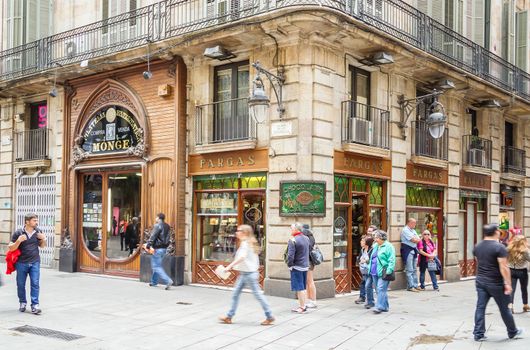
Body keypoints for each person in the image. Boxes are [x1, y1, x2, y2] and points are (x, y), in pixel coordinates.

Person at [472, 223, 523, 342]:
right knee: (505, 308)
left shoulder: (477, 246)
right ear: (496, 232)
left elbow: (478, 260)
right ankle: (512, 331)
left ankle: (478, 334)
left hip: (480, 281)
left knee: (480, 307)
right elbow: (504, 267)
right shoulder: (499, 247)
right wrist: (508, 283)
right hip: (496, 283)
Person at [219, 225, 274, 325]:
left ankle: (269, 316)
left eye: (239, 230)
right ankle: (229, 316)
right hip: (246, 273)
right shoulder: (250, 242)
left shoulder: (245, 243)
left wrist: (229, 267)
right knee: (236, 294)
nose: (236, 232)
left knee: (257, 295)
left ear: (245, 232)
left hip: (249, 274)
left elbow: (242, 257)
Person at [8, 213, 46, 314]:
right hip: (21, 263)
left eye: (37, 220)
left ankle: (35, 305)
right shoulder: (18, 233)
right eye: (34, 220)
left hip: (35, 262)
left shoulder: (38, 232)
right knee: (20, 284)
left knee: (35, 283)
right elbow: (11, 248)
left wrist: (43, 239)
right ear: (27, 222)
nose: (36, 222)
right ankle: (22, 302)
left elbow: (42, 246)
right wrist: (18, 241)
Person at [368, 230, 395, 314]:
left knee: (380, 288)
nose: (375, 239)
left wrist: (389, 270)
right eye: (375, 237)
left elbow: (392, 259)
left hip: (384, 271)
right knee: (379, 289)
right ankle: (385, 306)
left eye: (377, 238)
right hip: (374, 270)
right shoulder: (376, 245)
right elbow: (372, 257)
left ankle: (379, 307)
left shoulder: (389, 246)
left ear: (382, 238)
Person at [286, 222, 310, 313]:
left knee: (300, 288)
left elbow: (290, 256)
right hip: (305, 265)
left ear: (296, 229)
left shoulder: (293, 239)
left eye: (292, 228)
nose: (291, 230)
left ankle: (302, 306)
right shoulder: (306, 238)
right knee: (303, 287)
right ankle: (303, 305)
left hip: (297, 266)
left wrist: (290, 265)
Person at [145, 213, 173, 290]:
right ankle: (154, 282)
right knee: (157, 265)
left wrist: (148, 245)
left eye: (156, 217)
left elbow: (153, 236)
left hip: (157, 248)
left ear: (158, 218)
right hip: (164, 249)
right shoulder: (167, 226)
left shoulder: (157, 225)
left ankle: (168, 281)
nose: (155, 219)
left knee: (156, 266)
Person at [507, 235, 530, 313]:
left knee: (511, 289)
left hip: (511, 270)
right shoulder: (525, 250)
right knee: (524, 288)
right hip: (522, 271)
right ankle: (525, 305)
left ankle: (510, 306)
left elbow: (505, 257)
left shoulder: (509, 249)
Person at [401, 218, 420, 292]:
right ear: (409, 223)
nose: (415, 225)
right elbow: (414, 240)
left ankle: (415, 285)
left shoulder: (413, 230)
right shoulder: (405, 230)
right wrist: (416, 239)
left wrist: (416, 239)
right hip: (407, 250)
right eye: (414, 223)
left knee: (414, 269)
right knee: (409, 269)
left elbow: (418, 239)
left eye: (415, 223)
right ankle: (410, 286)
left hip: (414, 250)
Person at [302, 224, 317, 309]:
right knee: (308, 282)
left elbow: (307, 249)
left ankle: (313, 301)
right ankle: (309, 300)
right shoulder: (311, 237)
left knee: (310, 281)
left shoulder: (308, 238)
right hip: (308, 261)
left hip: (309, 262)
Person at [355, 235, 374, 304]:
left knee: (368, 286)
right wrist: (360, 261)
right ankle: (370, 301)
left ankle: (370, 302)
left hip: (370, 271)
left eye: (362, 241)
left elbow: (373, 260)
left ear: (367, 242)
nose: (361, 242)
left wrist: (365, 261)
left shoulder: (372, 250)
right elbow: (360, 258)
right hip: (364, 270)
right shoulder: (362, 250)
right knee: (367, 286)